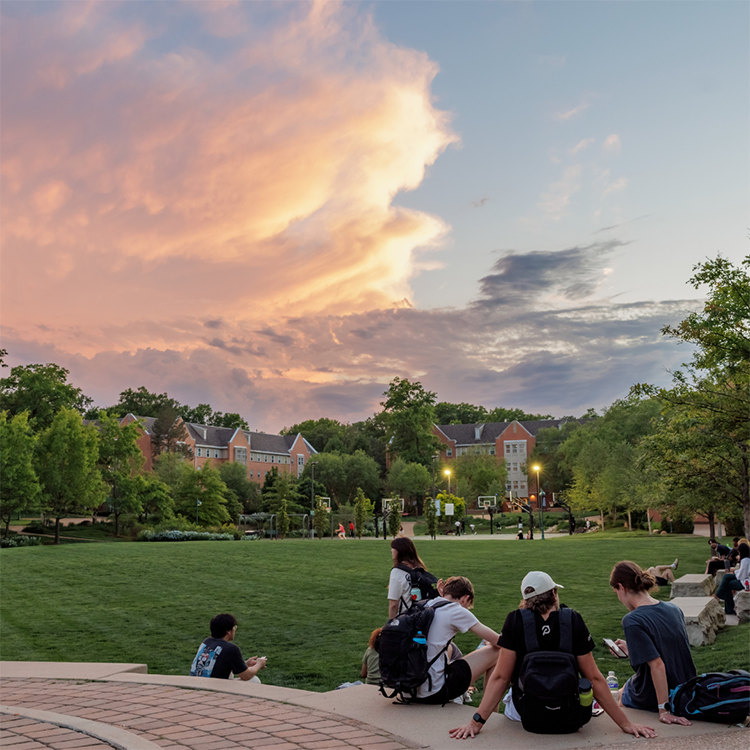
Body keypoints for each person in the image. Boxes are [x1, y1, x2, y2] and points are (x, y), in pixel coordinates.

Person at [449, 572, 656, 740]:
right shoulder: (572, 620)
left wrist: (475, 722)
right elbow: (593, 678)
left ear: (526, 599)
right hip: (568, 711)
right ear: (554, 593)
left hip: (525, 713)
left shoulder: (515, 620)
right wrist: (625, 724)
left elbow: (501, 678)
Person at [609, 561, 695, 725]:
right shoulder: (673, 609)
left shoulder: (632, 620)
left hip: (658, 693)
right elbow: (669, 648)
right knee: (623, 688)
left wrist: (664, 710)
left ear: (621, 587)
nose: (619, 599)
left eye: (616, 593)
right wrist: (632, 648)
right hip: (686, 686)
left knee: (617, 698)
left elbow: (657, 665)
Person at [412, 576, 501, 704]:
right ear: (466, 598)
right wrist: (488, 642)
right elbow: (500, 641)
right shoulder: (456, 610)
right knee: (495, 652)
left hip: (411, 687)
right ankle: (488, 714)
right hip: (434, 691)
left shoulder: (426, 605)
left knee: (448, 646)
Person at [190, 613, 267, 681]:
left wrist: (245, 664)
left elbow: (219, 664)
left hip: (196, 683)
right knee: (254, 680)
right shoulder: (231, 648)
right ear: (228, 631)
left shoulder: (207, 641)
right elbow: (246, 676)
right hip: (213, 688)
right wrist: (259, 664)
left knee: (231, 674)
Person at [388, 538, 434, 618]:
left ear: (399, 551)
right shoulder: (419, 568)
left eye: (393, 548)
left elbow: (393, 604)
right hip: (423, 616)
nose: (391, 550)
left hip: (406, 619)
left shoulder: (397, 572)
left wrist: (390, 624)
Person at [714, 542, 750, 614]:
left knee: (727, 583)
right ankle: (720, 597)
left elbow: (741, 576)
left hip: (746, 582)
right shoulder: (747, 559)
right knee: (726, 577)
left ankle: (720, 597)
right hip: (745, 579)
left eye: (739, 552)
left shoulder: (745, 560)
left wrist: (735, 571)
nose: (738, 554)